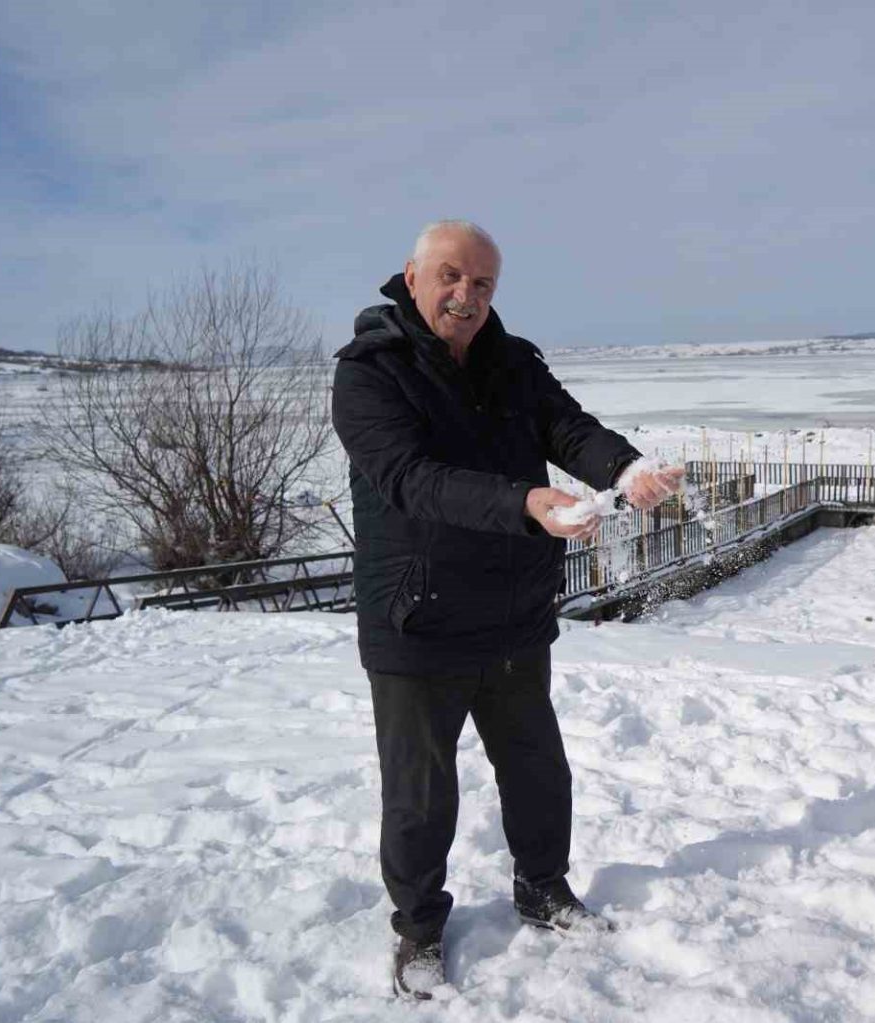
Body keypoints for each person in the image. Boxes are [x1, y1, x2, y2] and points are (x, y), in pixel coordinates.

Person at [331, 220, 683, 1000]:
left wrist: (625, 468)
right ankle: (419, 926)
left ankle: (542, 885)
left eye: (483, 283)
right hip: (417, 616)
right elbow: (411, 479)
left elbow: (566, 427)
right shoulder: (369, 373)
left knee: (537, 768)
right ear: (412, 277)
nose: (467, 295)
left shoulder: (513, 360)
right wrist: (526, 502)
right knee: (420, 793)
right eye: (451, 276)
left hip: (513, 611)